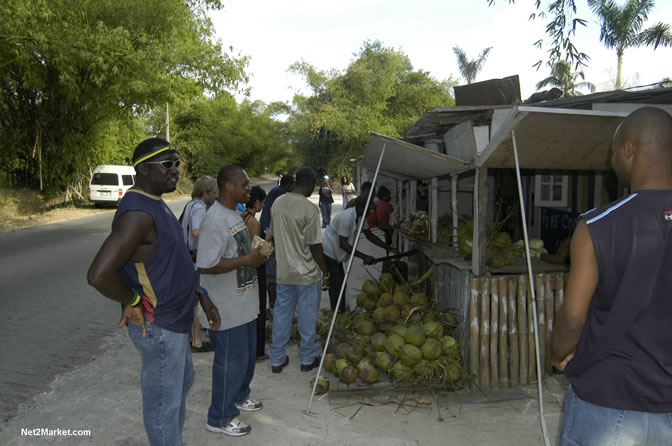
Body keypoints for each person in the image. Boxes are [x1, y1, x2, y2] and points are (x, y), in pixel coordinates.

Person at [87, 137, 220, 446]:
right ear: (143, 170)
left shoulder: (155, 202)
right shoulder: (138, 213)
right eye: (167, 165)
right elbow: (98, 274)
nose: (175, 171)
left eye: (177, 163)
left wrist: (201, 294)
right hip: (159, 324)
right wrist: (132, 300)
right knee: (164, 405)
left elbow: (173, 261)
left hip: (176, 319)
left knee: (180, 385)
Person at [551, 107, 672, 445]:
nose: (612, 157)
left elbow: (573, 318)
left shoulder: (597, 225)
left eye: (615, 149)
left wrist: (557, 355)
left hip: (608, 401)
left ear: (630, 150)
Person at [197, 165, 268, 438]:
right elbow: (206, 265)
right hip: (226, 307)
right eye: (245, 184)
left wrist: (259, 252)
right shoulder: (214, 220)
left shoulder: (234, 214)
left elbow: (239, 249)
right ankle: (220, 416)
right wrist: (247, 260)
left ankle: (239, 396)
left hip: (245, 305)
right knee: (230, 362)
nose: (249, 188)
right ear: (228, 186)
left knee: (247, 358)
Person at [268, 167, 330, 374]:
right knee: (307, 317)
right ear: (311, 184)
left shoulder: (278, 202)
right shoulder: (309, 208)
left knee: (281, 315)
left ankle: (276, 359)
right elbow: (315, 245)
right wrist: (325, 271)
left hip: (284, 272)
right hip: (307, 274)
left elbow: (275, 235)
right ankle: (307, 359)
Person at [322, 195, 389, 312]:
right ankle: (338, 313)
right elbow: (343, 244)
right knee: (337, 284)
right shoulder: (347, 217)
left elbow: (369, 235)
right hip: (329, 251)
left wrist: (387, 247)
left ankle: (339, 310)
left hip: (336, 253)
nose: (371, 212)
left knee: (341, 283)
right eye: (369, 209)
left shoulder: (361, 217)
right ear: (362, 207)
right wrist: (364, 256)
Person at [181, 175, 218, 352]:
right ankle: (197, 341)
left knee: (192, 299)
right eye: (213, 193)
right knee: (196, 301)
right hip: (194, 259)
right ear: (205, 193)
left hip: (187, 257)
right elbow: (196, 232)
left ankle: (192, 336)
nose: (215, 196)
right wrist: (210, 247)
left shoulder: (190, 205)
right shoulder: (199, 209)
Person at [240, 186, 270, 361]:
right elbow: (258, 250)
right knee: (259, 310)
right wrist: (269, 246)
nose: (264, 205)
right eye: (263, 202)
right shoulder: (254, 223)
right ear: (257, 202)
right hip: (256, 269)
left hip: (243, 269)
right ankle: (259, 351)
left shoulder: (240, 217)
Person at [260, 174, 295, 309]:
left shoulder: (277, 191)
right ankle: (273, 306)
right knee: (272, 274)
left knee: (271, 270)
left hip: (269, 232)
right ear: (289, 185)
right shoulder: (280, 193)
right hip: (269, 234)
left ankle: (273, 305)